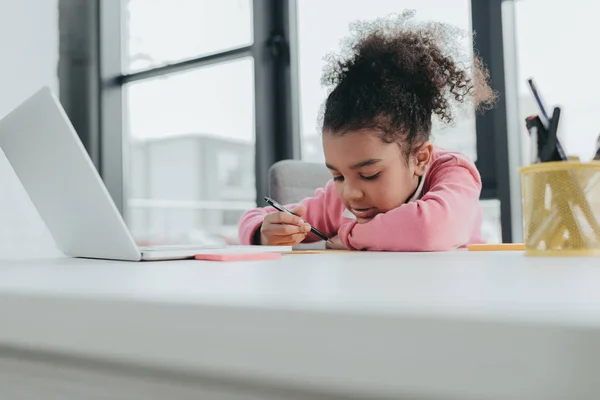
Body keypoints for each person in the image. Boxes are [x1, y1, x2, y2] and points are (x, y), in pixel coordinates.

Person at [239, 11, 496, 251]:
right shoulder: (343, 198)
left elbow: (430, 229)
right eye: (338, 175)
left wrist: (346, 237)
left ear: (420, 158)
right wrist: (264, 231)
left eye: (369, 174)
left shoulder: (452, 172)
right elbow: (255, 217)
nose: (350, 193)